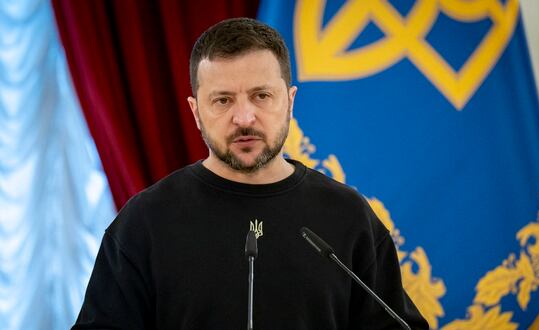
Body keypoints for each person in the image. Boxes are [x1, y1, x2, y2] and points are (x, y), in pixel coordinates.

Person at [73, 17, 428, 329]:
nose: (244, 118)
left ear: (289, 101)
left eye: (261, 96)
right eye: (223, 100)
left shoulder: (348, 217)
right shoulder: (144, 222)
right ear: (196, 112)